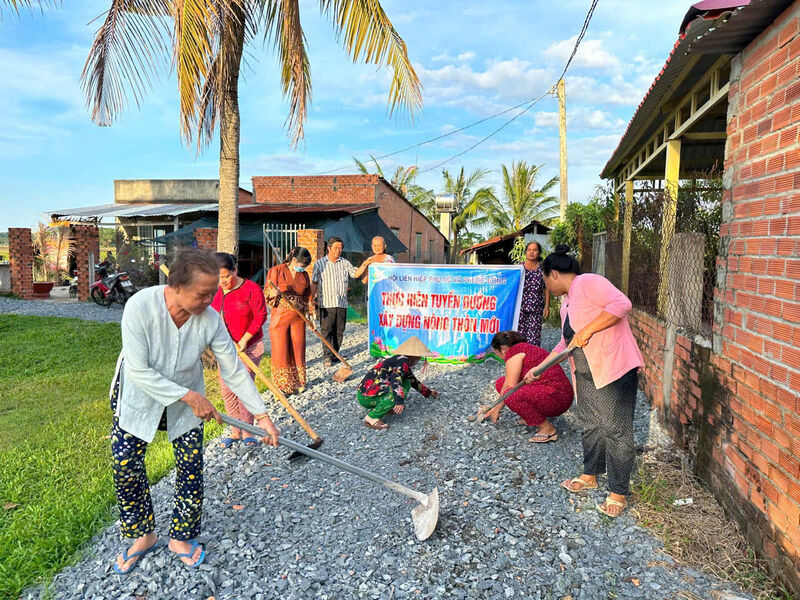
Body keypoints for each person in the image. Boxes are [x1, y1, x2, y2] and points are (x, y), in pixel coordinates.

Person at [109, 249, 279, 574]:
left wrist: (262, 416)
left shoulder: (210, 320)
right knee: (125, 462)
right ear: (175, 286)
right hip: (139, 395)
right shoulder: (140, 308)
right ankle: (143, 535)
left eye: (213, 293)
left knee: (190, 466)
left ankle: (181, 537)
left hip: (187, 400)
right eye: (203, 294)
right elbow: (138, 370)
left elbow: (232, 370)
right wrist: (189, 396)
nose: (209, 301)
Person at [524, 244, 643, 518]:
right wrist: (539, 368)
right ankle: (591, 474)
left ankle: (618, 492)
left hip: (614, 369)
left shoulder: (588, 282)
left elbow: (623, 304)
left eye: (545, 280)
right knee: (590, 423)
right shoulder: (567, 302)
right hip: (586, 372)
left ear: (553, 274)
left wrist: (588, 329)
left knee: (616, 429)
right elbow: (565, 344)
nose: (547, 288)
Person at [211, 252, 268, 447]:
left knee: (244, 388)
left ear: (235, 270)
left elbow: (261, 315)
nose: (223, 281)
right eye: (219, 278)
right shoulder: (217, 292)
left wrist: (245, 338)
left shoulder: (251, 289)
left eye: (227, 276)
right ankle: (235, 431)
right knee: (227, 389)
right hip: (226, 348)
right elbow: (210, 314)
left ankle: (248, 432)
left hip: (249, 346)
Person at [479, 331, 573, 443]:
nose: (498, 357)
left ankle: (547, 429)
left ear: (503, 349)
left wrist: (496, 410)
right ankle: (531, 416)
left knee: (511, 395)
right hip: (556, 393)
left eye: (496, 353)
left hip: (557, 397)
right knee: (501, 383)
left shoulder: (513, 352)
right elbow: (507, 383)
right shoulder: (524, 348)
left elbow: (510, 386)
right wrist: (494, 407)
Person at [357, 335, 439, 430]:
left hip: (366, 393)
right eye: (418, 357)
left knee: (407, 382)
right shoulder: (402, 363)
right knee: (400, 391)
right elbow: (395, 382)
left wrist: (429, 392)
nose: (418, 359)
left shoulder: (401, 360)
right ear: (414, 356)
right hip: (366, 397)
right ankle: (372, 417)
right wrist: (398, 401)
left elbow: (413, 381)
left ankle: (386, 406)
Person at [310, 237, 367, 367]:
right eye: (336, 248)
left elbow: (356, 274)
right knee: (327, 329)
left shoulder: (345, 263)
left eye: (340, 248)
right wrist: (311, 299)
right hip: (326, 302)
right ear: (329, 248)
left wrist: (366, 263)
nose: (339, 250)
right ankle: (327, 356)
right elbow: (314, 282)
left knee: (339, 330)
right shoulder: (320, 264)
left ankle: (335, 353)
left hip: (341, 302)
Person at [265, 247, 314, 394]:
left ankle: (299, 382)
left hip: (298, 317)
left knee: (298, 349)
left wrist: (312, 318)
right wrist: (274, 292)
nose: (303, 268)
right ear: (294, 260)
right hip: (280, 317)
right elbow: (267, 291)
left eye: (305, 266)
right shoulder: (276, 271)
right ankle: (282, 385)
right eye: (301, 265)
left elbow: (308, 297)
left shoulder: (304, 275)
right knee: (281, 350)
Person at [518, 241, 550, 346]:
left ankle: (533, 360)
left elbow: (547, 287)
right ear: (526, 252)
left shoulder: (543, 269)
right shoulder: (519, 268)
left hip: (536, 308)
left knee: (534, 337)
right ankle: (519, 359)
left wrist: (546, 306)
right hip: (519, 308)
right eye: (529, 250)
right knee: (519, 336)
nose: (531, 252)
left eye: (535, 250)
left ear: (539, 253)